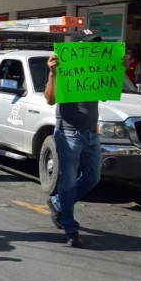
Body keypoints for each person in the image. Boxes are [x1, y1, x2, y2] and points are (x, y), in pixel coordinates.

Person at [44, 30, 104, 248]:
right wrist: (52, 74)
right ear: (75, 47)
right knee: (67, 182)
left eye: (95, 45)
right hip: (69, 133)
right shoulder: (62, 66)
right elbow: (50, 100)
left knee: (93, 177)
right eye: (87, 45)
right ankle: (70, 228)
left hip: (91, 133)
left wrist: (117, 68)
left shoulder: (96, 67)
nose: (92, 48)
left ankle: (58, 203)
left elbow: (105, 93)